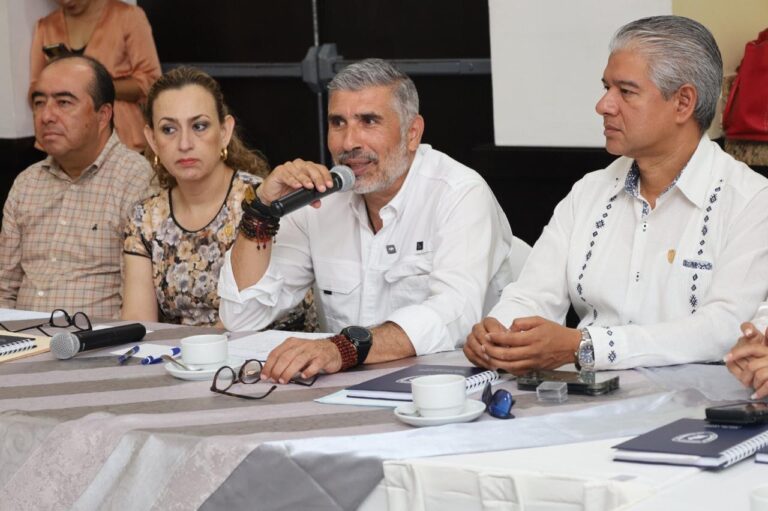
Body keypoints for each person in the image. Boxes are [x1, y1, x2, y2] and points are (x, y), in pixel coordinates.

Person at [464, 15, 768, 374]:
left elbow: (722, 327)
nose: (604, 105)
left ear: (683, 103)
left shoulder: (750, 201)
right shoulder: (590, 192)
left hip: (700, 400)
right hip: (585, 395)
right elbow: (532, 294)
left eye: (625, 91)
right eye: (606, 87)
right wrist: (498, 332)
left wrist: (587, 347)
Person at [218, 58, 516, 383]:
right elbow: (242, 316)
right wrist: (262, 211)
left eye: (369, 121)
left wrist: (345, 348)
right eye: (338, 123)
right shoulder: (319, 200)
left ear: (412, 133)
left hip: (449, 388)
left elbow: (454, 314)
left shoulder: (459, 192)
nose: (349, 143)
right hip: (342, 391)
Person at [121, 66, 315, 329]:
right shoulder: (145, 218)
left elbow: (255, 316)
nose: (185, 144)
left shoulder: (266, 201)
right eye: (168, 129)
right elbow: (138, 323)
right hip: (179, 353)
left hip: (270, 348)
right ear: (152, 140)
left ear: (225, 132)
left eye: (199, 126)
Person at [0, 54, 154, 317]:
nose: (46, 116)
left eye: (64, 102)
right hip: (22, 338)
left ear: (103, 115)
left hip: (96, 339)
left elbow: (138, 303)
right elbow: (5, 288)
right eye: (39, 103)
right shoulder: (27, 183)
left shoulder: (135, 179)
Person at [30, 0, 161, 151]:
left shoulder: (127, 16)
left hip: (122, 139)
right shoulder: (46, 26)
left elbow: (151, 81)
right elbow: (35, 88)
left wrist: (96, 86)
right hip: (63, 143)